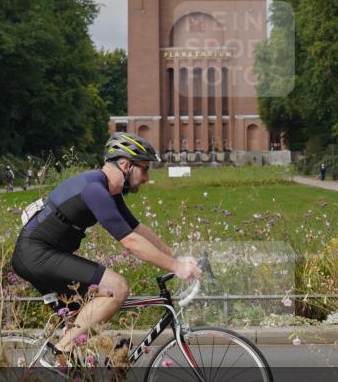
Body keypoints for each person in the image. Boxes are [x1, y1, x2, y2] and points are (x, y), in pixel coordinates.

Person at [11, 133, 202, 369]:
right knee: (116, 287)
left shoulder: (107, 189)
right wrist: (175, 268)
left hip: (43, 254)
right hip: (36, 254)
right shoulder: (94, 190)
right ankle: (62, 351)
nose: (146, 178)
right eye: (144, 169)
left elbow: (138, 229)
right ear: (126, 165)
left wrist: (177, 257)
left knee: (90, 322)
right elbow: (131, 242)